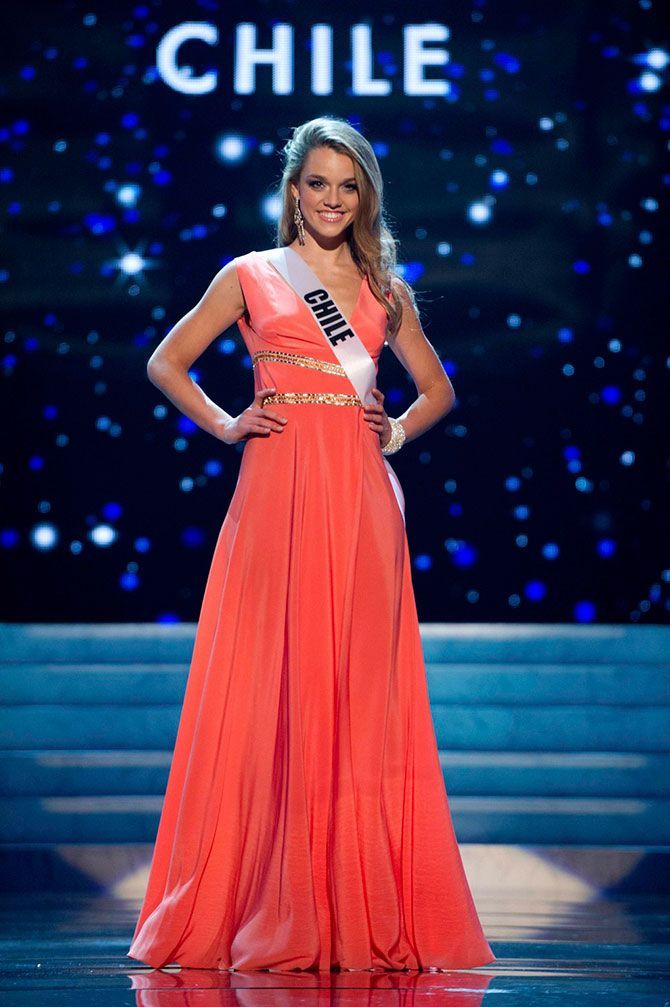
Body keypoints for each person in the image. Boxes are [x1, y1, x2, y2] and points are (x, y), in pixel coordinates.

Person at [126, 115, 496, 973]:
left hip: (360, 500)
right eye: (318, 182)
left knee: (356, 696)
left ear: (364, 195)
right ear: (294, 190)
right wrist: (225, 422)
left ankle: (352, 899)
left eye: (349, 184)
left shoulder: (383, 289)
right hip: (275, 494)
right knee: (270, 691)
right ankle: (267, 900)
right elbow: (166, 361)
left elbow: (438, 388)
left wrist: (395, 430)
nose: (333, 199)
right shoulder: (252, 276)